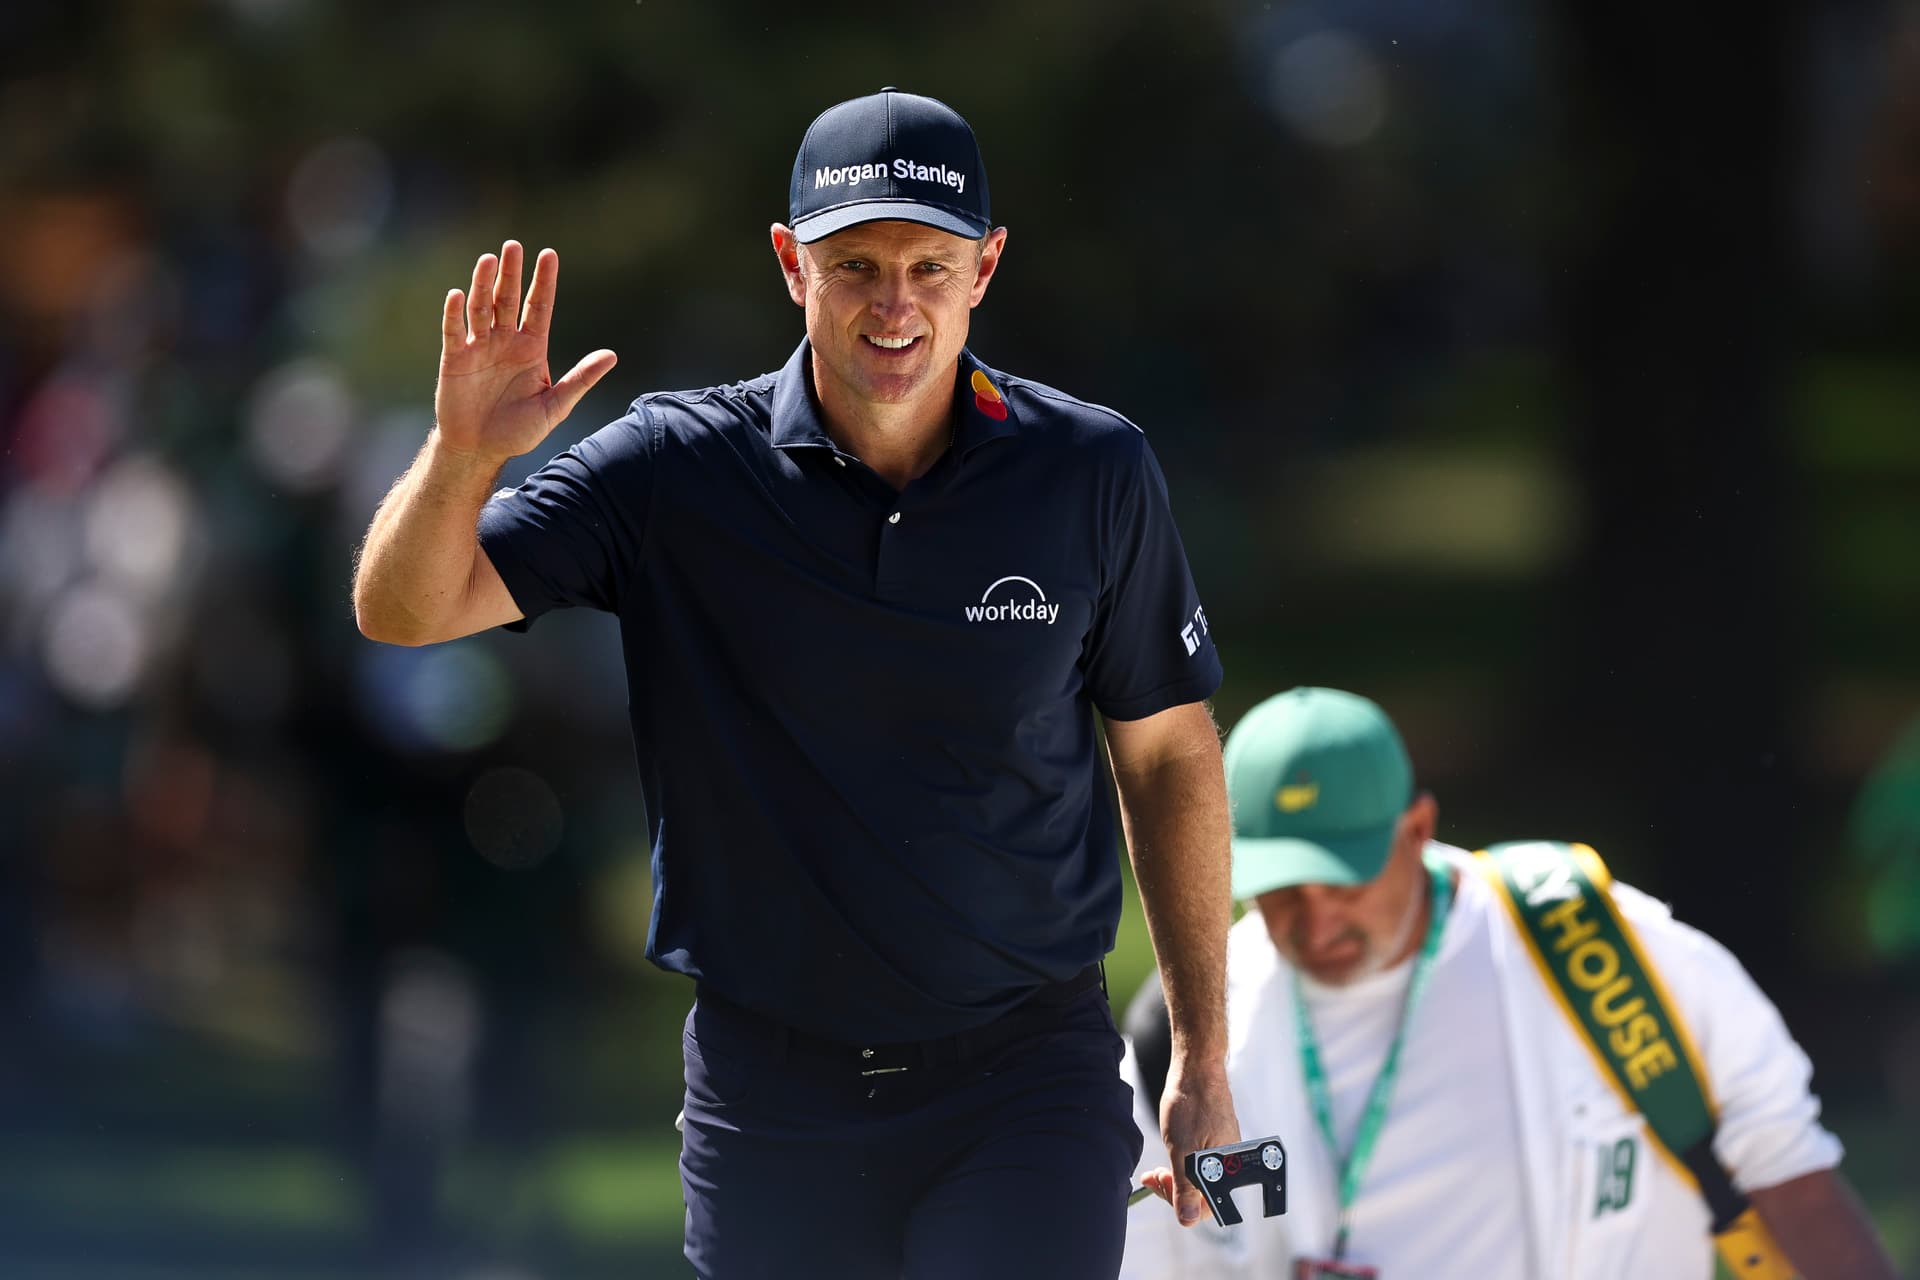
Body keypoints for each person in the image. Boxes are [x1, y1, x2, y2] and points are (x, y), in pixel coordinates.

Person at [351, 88, 1240, 1278]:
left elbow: (1170, 752)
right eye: (858, 264)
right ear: (790, 264)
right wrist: (462, 455)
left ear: (986, 267)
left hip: (1025, 1076)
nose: (896, 303)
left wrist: (1200, 1051)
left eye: (931, 265)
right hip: (770, 1094)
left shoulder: (1091, 471)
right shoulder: (675, 469)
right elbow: (403, 609)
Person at [1122, 687, 1898, 1279]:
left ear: (1418, 830)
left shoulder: (1607, 954)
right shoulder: (1184, 1035)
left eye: (1346, 881)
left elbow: (1795, 1186)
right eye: (1284, 889)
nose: (1316, 921)